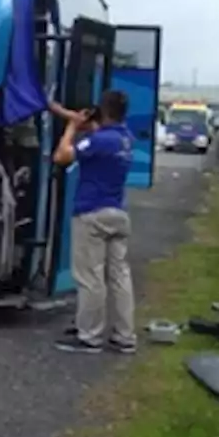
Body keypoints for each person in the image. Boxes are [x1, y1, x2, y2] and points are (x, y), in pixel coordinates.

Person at [50, 90, 137, 354]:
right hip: (118, 214)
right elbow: (92, 126)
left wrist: (70, 128)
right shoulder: (125, 139)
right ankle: (125, 336)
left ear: (104, 110)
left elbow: (61, 157)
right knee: (119, 277)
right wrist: (59, 110)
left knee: (90, 277)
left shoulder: (99, 141)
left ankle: (90, 336)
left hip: (92, 214)